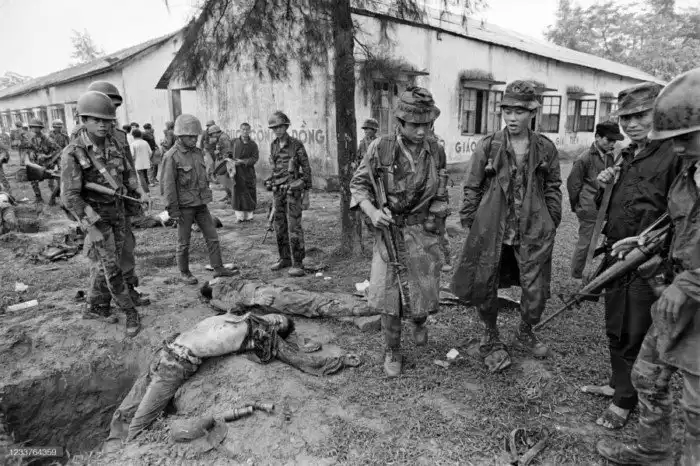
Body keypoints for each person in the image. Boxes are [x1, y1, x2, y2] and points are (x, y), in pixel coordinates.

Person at [597, 68, 700, 466]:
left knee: (696, 409)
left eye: (685, 137)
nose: (676, 147)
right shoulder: (686, 170)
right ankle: (653, 450)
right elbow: (677, 223)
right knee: (645, 373)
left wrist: (688, 283)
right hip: (667, 289)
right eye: (671, 139)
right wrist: (645, 241)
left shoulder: (680, 161)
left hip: (686, 294)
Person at [106, 312, 361, 446]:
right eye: (277, 316)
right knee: (125, 411)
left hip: (176, 364)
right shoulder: (240, 315)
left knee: (140, 422)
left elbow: (298, 359)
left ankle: (127, 454)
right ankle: (111, 446)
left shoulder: (262, 333)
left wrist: (338, 361)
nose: (275, 319)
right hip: (164, 351)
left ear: (277, 331)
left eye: (279, 323)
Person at [451, 80, 562, 373]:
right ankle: (490, 333)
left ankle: (526, 330)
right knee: (485, 281)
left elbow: (553, 185)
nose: (512, 118)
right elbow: (472, 186)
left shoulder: (545, 148)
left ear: (532, 113)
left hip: (532, 229)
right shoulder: (489, 145)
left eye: (519, 112)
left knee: (536, 287)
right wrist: (472, 222)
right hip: (493, 228)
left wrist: (551, 219)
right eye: (507, 111)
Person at [588, 82, 681, 430]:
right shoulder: (625, 155)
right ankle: (618, 384)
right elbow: (610, 207)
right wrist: (605, 186)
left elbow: (680, 216)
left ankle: (625, 400)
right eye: (626, 118)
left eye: (641, 115)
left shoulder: (674, 154)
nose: (632, 124)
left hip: (650, 261)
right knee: (615, 325)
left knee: (635, 330)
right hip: (617, 254)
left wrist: (655, 252)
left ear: (659, 112)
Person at [350, 87, 448, 377]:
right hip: (390, 232)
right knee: (388, 296)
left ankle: (419, 320)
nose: (421, 131)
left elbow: (442, 190)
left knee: (422, 289)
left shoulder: (436, 150)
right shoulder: (381, 148)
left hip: (423, 233)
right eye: (415, 125)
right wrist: (373, 212)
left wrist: (438, 214)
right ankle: (392, 348)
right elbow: (358, 185)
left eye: (426, 124)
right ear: (400, 122)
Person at [60, 91, 143, 337]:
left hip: (118, 213)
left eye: (107, 120)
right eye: (96, 120)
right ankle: (129, 311)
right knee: (112, 268)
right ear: (84, 120)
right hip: (97, 218)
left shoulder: (114, 144)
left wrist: (140, 190)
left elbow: (128, 172)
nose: (102, 125)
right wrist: (91, 227)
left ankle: (96, 306)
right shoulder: (73, 152)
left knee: (108, 263)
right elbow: (71, 197)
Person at [86, 80, 150, 308]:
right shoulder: (81, 138)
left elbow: (128, 169)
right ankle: (99, 302)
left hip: (121, 204)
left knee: (127, 249)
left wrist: (139, 193)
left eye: (113, 107)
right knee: (103, 258)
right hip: (97, 209)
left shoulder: (120, 136)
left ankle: (128, 290)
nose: (109, 113)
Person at [160, 114, 237, 285]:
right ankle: (185, 272)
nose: (194, 139)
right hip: (184, 207)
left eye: (196, 136)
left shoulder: (197, 153)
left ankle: (218, 268)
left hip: (201, 204)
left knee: (212, 237)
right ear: (180, 136)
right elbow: (168, 186)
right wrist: (172, 210)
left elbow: (204, 176)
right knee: (183, 242)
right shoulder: (171, 156)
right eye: (190, 136)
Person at [566, 121, 624, 279]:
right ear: (597, 137)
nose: (612, 144)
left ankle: (590, 271)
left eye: (614, 141)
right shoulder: (584, 158)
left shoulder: (610, 155)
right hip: (588, 207)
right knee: (586, 243)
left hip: (603, 207)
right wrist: (577, 206)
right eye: (609, 140)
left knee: (598, 242)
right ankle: (577, 274)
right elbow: (573, 185)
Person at [267, 111, 312, 278]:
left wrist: (306, 194)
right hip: (278, 190)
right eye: (274, 128)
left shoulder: (296, 145)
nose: (277, 130)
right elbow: (274, 168)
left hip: (293, 190)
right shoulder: (273, 145)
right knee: (279, 225)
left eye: (280, 127)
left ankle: (298, 263)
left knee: (294, 227)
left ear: (286, 126)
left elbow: (306, 169)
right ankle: (284, 258)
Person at [200, 276, 376, 318]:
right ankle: (358, 311)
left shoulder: (225, 283)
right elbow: (232, 307)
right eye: (213, 281)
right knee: (310, 303)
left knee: (308, 298)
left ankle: (356, 309)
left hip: (269, 290)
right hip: (265, 297)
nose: (216, 279)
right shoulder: (217, 294)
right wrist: (253, 301)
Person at [20, 118, 60, 204]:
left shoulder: (47, 139)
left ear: (40, 128)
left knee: (55, 182)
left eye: (36, 127)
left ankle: (55, 198)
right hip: (38, 164)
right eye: (32, 127)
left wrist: (47, 156)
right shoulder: (32, 138)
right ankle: (38, 198)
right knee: (33, 179)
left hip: (49, 164)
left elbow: (58, 150)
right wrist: (31, 152)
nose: (34, 129)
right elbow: (29, 148)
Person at [353, 118, 379, 247]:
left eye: (368, 129)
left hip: (377, 179)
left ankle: (379, 229)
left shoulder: (379, 142)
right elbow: (358, 159)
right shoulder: (362, 143)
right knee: (365, 205)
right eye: (365, 129)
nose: (366, 131)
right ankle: (372, 229)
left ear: (374, 130)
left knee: (379, 203)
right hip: (365, 178)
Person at [230, 122, 259, 222]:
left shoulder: (253, 145)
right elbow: (228, 154)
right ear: (240, 130)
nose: (245, 131)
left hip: (248, 172)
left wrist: (242, 161)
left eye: (247, 129)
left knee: (249, 193)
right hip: (237, 172)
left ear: (250, 131)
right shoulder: (234, 142)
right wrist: (231, 162)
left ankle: (249, 216)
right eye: (243, 129)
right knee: (237, 194)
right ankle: (239, 217)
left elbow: (255, 158)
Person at [208, 124, 234, 202]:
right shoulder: (220, 138)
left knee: (226, 179)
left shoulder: (224, 137)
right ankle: (229, 196)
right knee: (224, 179)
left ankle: (232, 197)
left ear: (215, 132)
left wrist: (224, 160)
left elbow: (229, 150)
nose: (212, 136)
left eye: (212, 134)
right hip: (224, 160)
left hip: (227, 161)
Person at [130, 129, 152, 193]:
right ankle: (147, 188)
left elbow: (132, 155)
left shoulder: (133, 144)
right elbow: (150, 152)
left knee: (141, 177)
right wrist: (148, 158)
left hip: (138, 162)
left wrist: (133, 161)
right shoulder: (145, 142)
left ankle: (146, 191)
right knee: (145, 175)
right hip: (146, 161)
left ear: (133, 136)